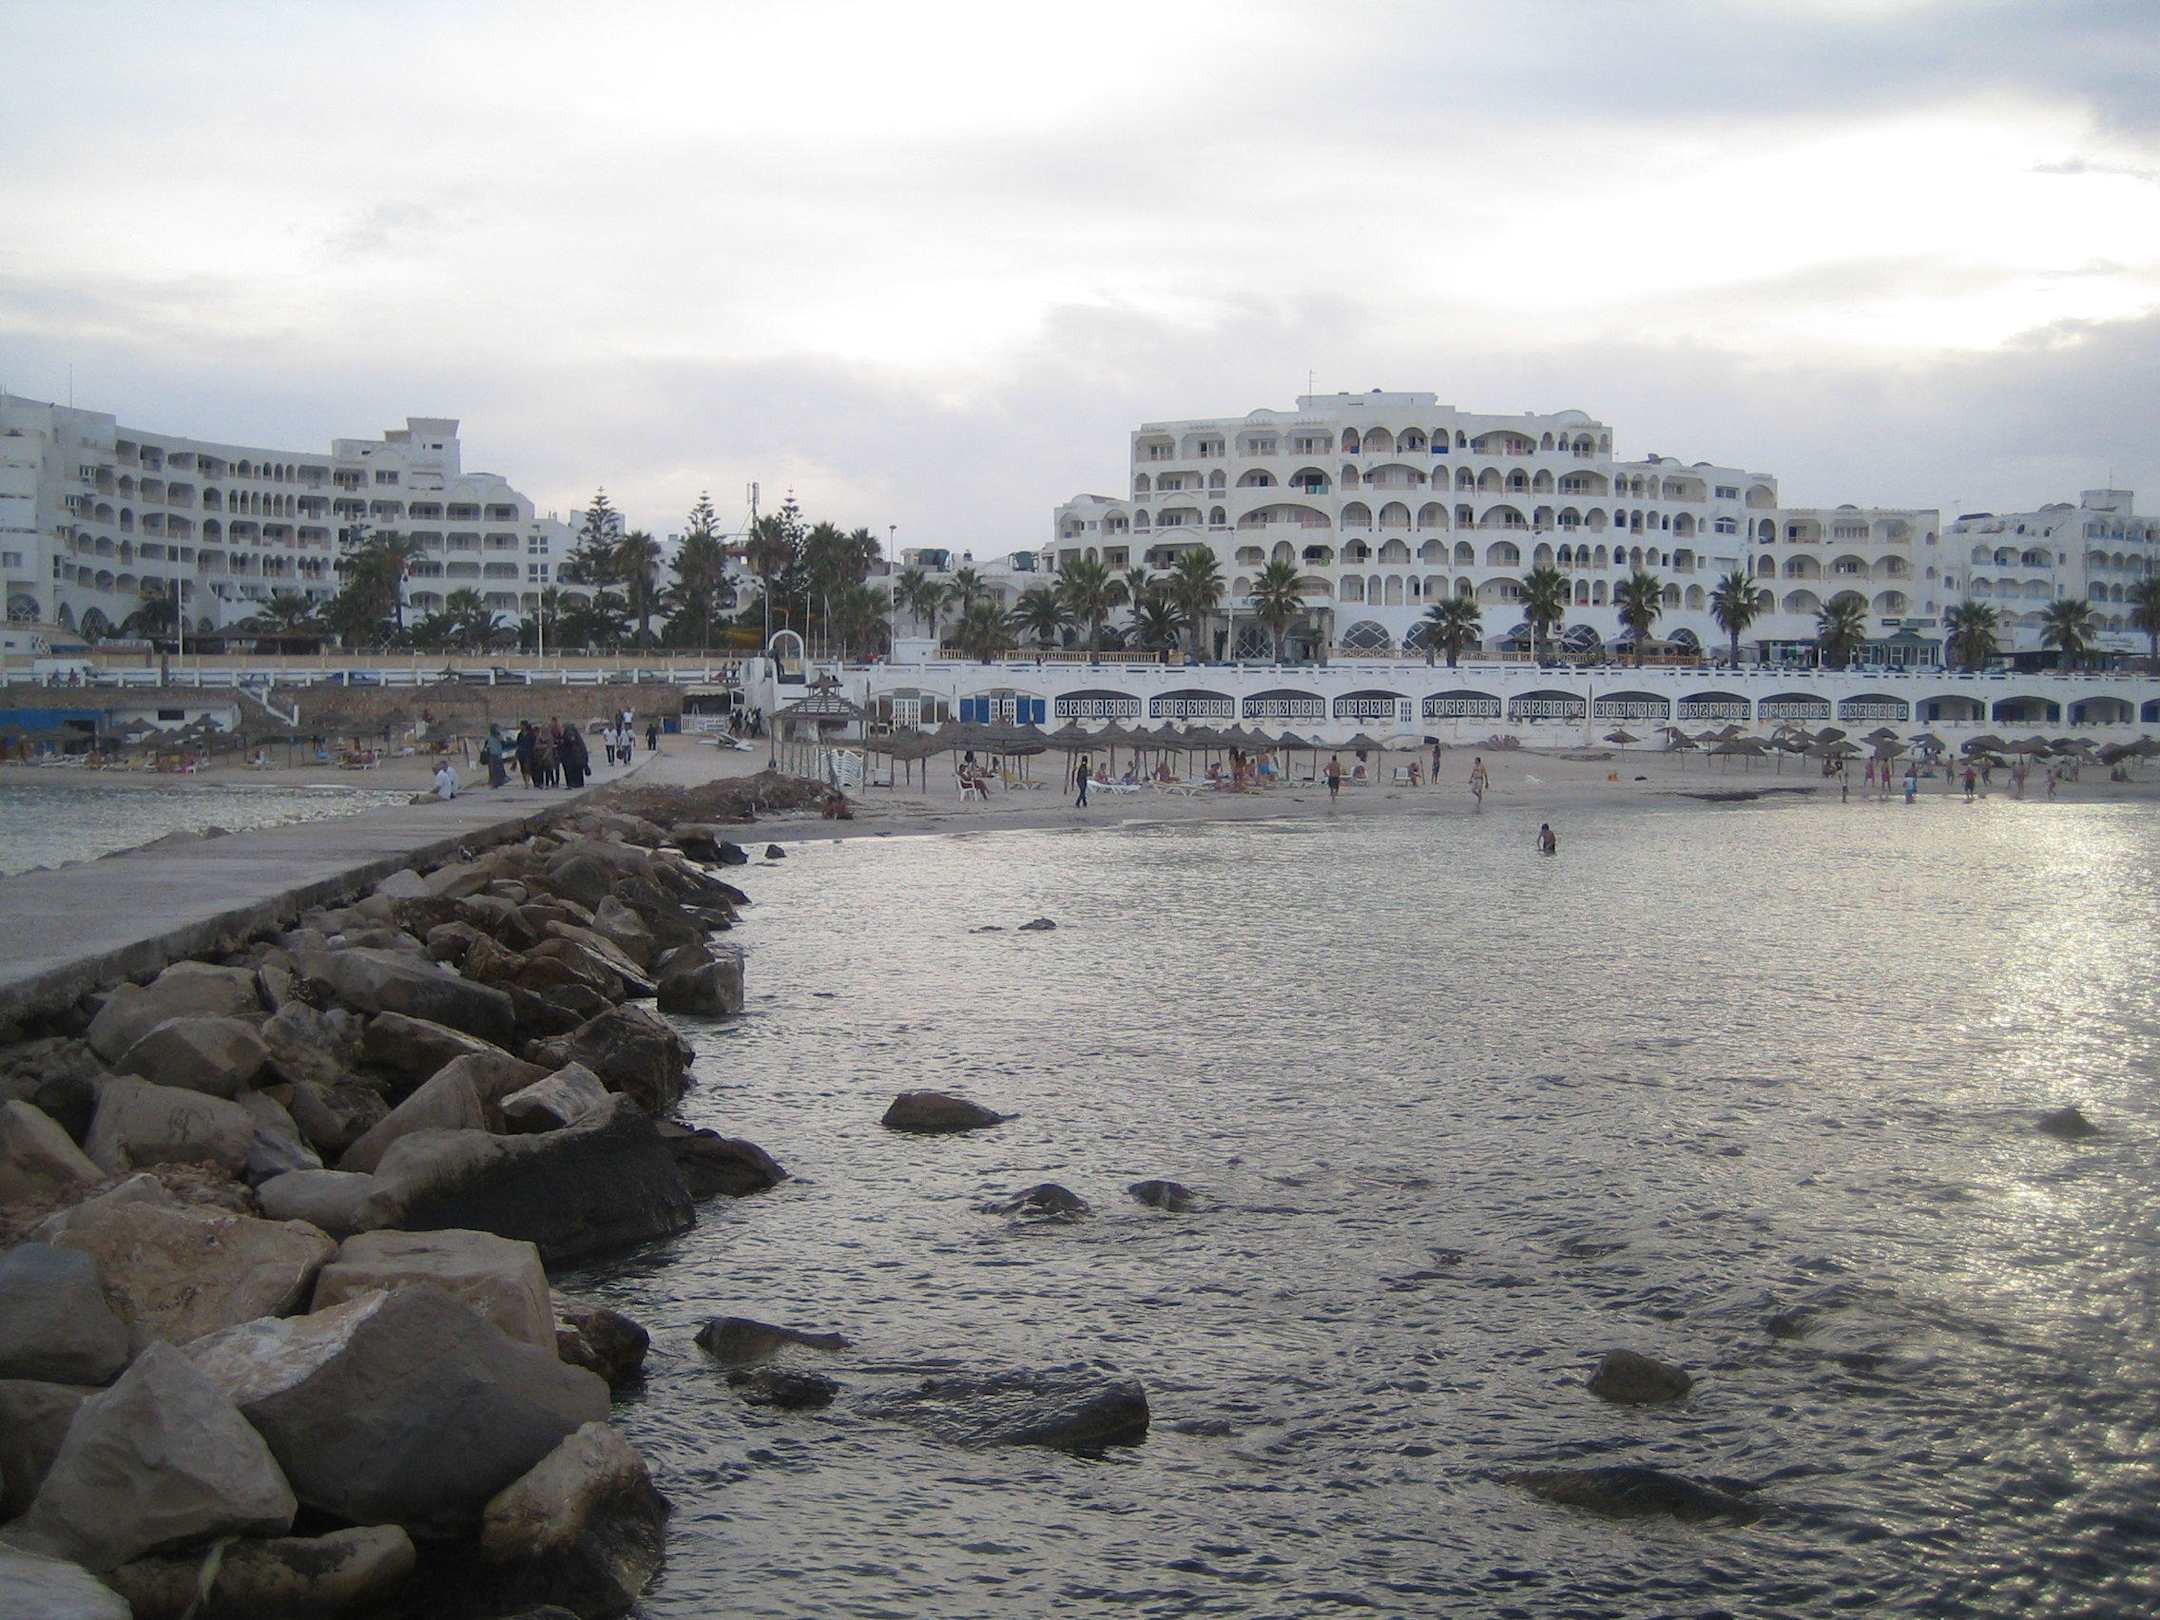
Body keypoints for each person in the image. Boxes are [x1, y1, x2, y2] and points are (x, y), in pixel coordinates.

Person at [484, 724, 509, 789]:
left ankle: (499, 782)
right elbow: (487, 746)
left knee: (499, 769)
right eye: (496, 728)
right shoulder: (489, 737)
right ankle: (494, 783)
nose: (497, 729)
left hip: (498, 754)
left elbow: (503, 743)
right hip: (492, 755)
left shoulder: (499, 735)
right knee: (493, 770)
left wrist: (499, 738)